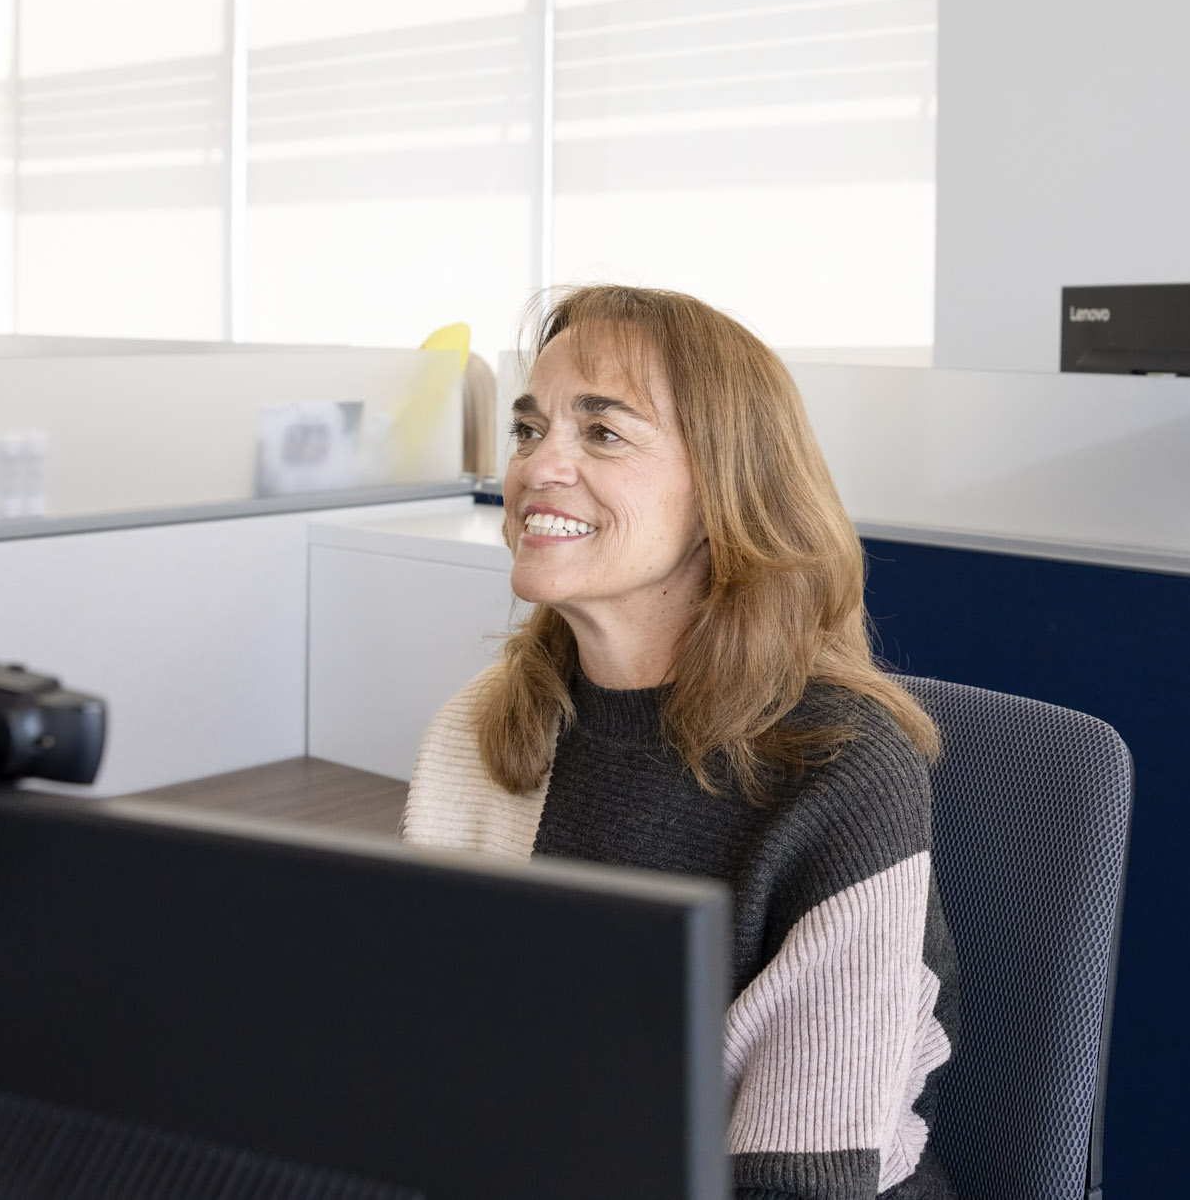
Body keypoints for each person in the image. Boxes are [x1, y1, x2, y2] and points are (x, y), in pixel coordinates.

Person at [402, 285, 959, 1199]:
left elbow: (801, 1180)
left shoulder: (837, 767)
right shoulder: (487, 725)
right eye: (529, 429)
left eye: (604, 432)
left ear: (724, 489)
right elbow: (430, 1058)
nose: (540, 466)